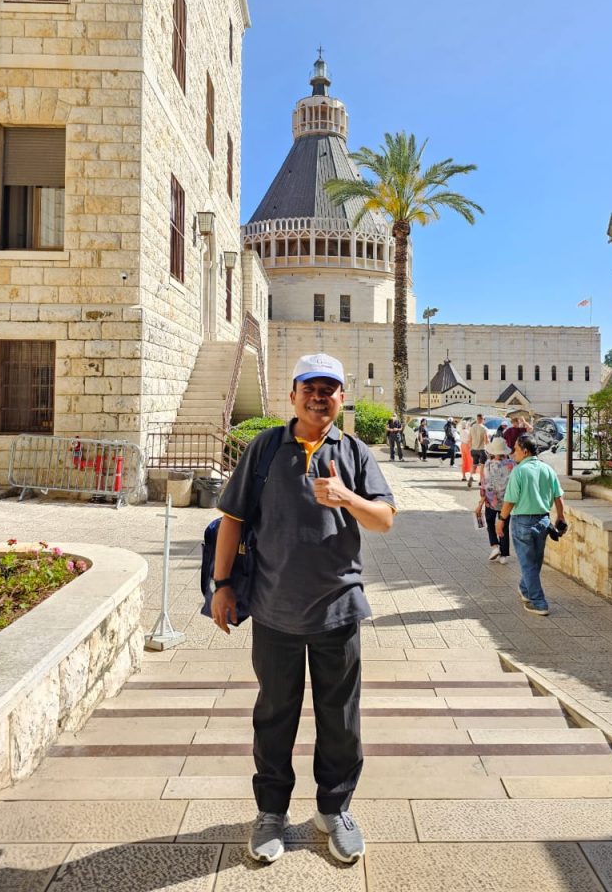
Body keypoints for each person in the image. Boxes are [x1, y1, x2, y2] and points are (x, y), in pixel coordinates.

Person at [212, 352, 395, 866]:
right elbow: (232, 518)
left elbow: (384, 519)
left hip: (339, 609)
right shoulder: (266, 448)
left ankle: (334, 811)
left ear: (341, 397)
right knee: (274, 716)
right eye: (309, 388)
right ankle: (271, 812)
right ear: (292, 395)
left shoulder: (354, 452)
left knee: (341, 720)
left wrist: (346, 498)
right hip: (275, 610)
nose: (319, 397)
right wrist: (222, 585)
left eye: (328, 389)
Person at [496, 433, 566, 616]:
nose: (513, 453)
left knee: (528, 564)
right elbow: (558, 496)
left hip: (523, 522)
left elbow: (510, 501)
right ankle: (525, 589)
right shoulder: (547, 469)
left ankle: (539, 602)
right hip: (543, 521)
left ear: (525, 451)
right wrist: (561, 517)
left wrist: (501, 520)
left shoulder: (519, 471)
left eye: (516, 450)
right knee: (534, 562)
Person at [475, 437, 514, 563]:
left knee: (490, 523)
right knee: (504, 526)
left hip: (491, 501)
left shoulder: (488, 465)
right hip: (507, 502)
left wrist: (480, 503)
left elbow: (484, 485)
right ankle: (504, 555)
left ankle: (495, 546)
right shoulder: (511, 465)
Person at [467, 413, 489, 487]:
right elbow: (486, 441)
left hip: (473, 449)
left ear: (477, 419)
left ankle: (471, 476)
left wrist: (470, 448)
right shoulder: (484, 428)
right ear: (482, 419)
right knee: (482, 466)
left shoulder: (472, 427)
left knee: (474, 465)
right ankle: (481, 481)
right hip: (482, 449)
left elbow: (469, 439)